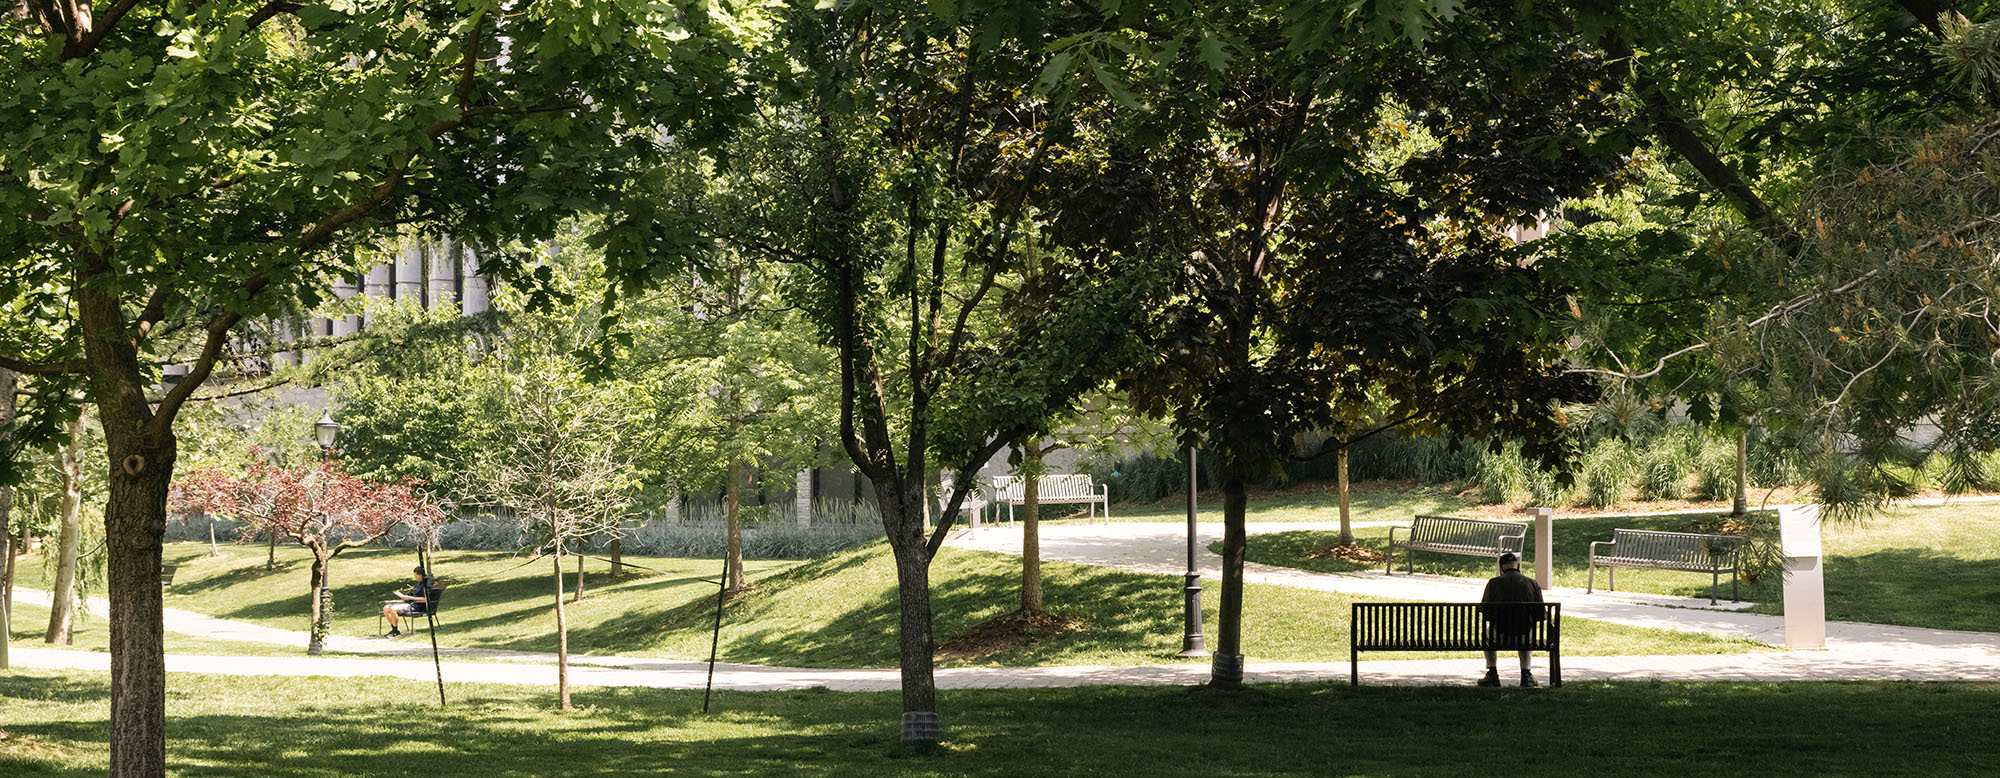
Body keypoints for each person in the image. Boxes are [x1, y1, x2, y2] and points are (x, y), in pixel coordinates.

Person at [1477, 551, 1545, 687]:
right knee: (1526, 629)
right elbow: (1540, 615)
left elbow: (1486, 613)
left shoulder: (1493, 583)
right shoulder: (1532, 583)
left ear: (1501, 568)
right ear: (1518, 566)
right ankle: (1526, 675)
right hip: (1525, 636)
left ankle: (1492, 673)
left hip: (1500, 635)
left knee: (1486, 632)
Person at [382, 566, 435, 638]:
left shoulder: (426, 585)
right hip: (411, 603)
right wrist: (407, 596)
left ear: (420, 575)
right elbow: (416, 594)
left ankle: (395, 631)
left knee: (393, 609)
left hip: (417, 607)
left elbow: (426, 599)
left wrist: (410, 597)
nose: (415, 578)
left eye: (416, 576)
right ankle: (394, 629)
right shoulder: (419, 583)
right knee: (386, 608)